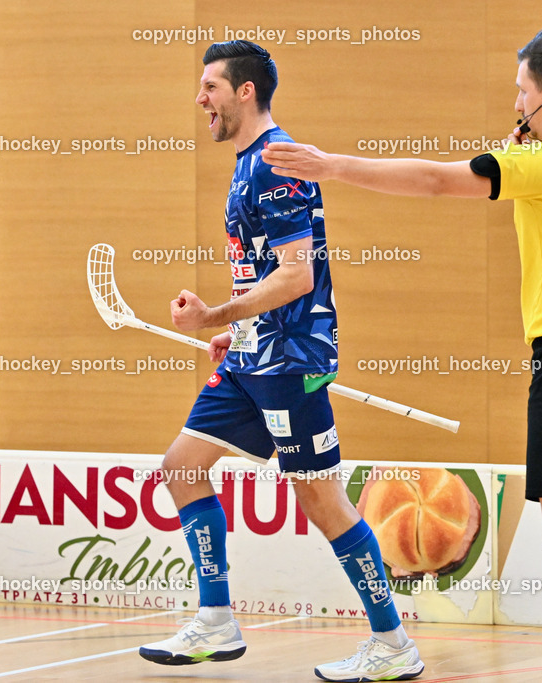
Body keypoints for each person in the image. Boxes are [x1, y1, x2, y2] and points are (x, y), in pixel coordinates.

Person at [260, 28, 542, 683]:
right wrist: (521, 155)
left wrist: (332, 166)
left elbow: (432, 180)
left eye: (521, 92)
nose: (516, 103)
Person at [138, 40, 424, 682]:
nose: (199, 98)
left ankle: (392, 641)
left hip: (292, 359)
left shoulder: (274, 163)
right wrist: (233, 330)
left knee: (320, 500)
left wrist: (214, 315)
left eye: (210, 85)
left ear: (244, 91)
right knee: (183, 467)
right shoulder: (248, 165)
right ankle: (216, 621)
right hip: (252, 356)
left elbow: (297, 277)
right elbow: (265, 272)